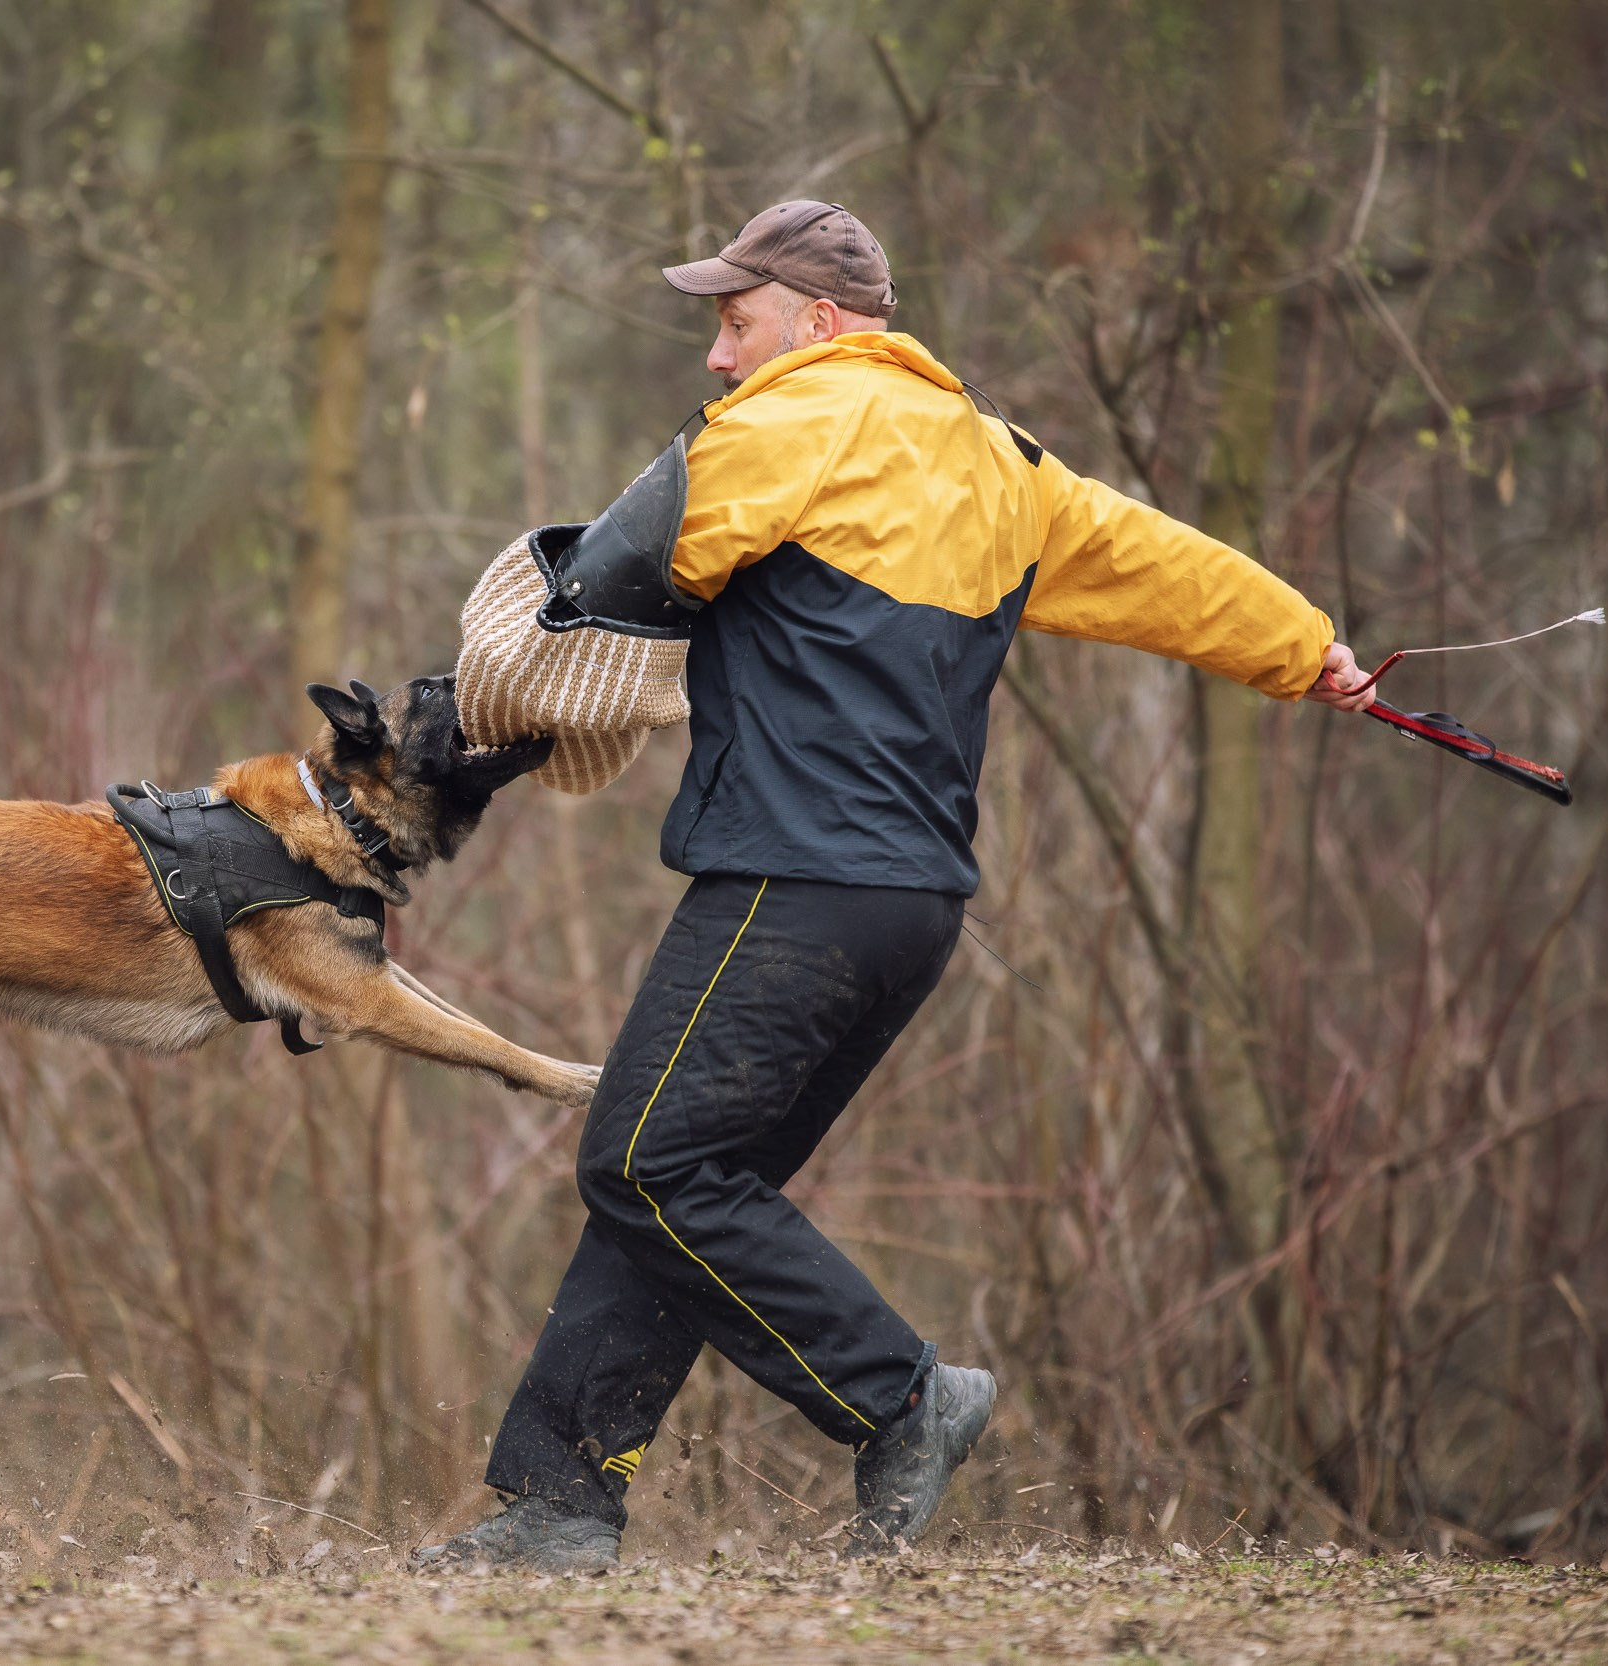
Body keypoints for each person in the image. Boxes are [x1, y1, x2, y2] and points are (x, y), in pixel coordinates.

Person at [419, 200, 1378, 1573]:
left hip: (792, 873)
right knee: (693, 1181)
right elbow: (1166, 567)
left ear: (816, 322)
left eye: (734, 323)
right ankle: (562, 1502)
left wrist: (443, 727)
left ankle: (904, 1394)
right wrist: (1308, 648)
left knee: (647, 1160)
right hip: (911, 906)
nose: (717, 359)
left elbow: (612, 583)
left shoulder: (789, 422)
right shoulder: (1005, 465)